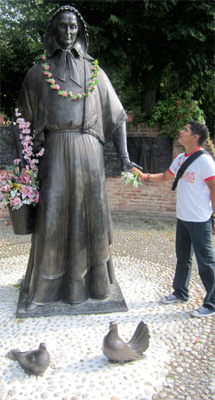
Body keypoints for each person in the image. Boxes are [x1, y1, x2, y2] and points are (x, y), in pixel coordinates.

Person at [14, 5, 138, 311]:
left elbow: (117, 116)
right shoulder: (37, 74)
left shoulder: (95, 72)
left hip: (90, 152)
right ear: (54, 31)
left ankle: (95, 286)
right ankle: (45, 287)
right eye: (63, 27)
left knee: (91, 215)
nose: (68, 33)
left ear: (79, 32)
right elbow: (21, 124)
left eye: (73, 27)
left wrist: (123, 156)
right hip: (55, 151)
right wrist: (25, 169)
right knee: (53, 215)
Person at [131, 120, 215, 317]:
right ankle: (180, 292)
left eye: (185, 130)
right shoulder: (180, 158)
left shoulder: (205, 161)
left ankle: (211, 303)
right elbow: (166, 176)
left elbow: (214, 190)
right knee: (183, 259)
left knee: (206, 262)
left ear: (195, 137)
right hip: (183, 217)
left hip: (200, 219)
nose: (181, 131)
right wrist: (145, 176)